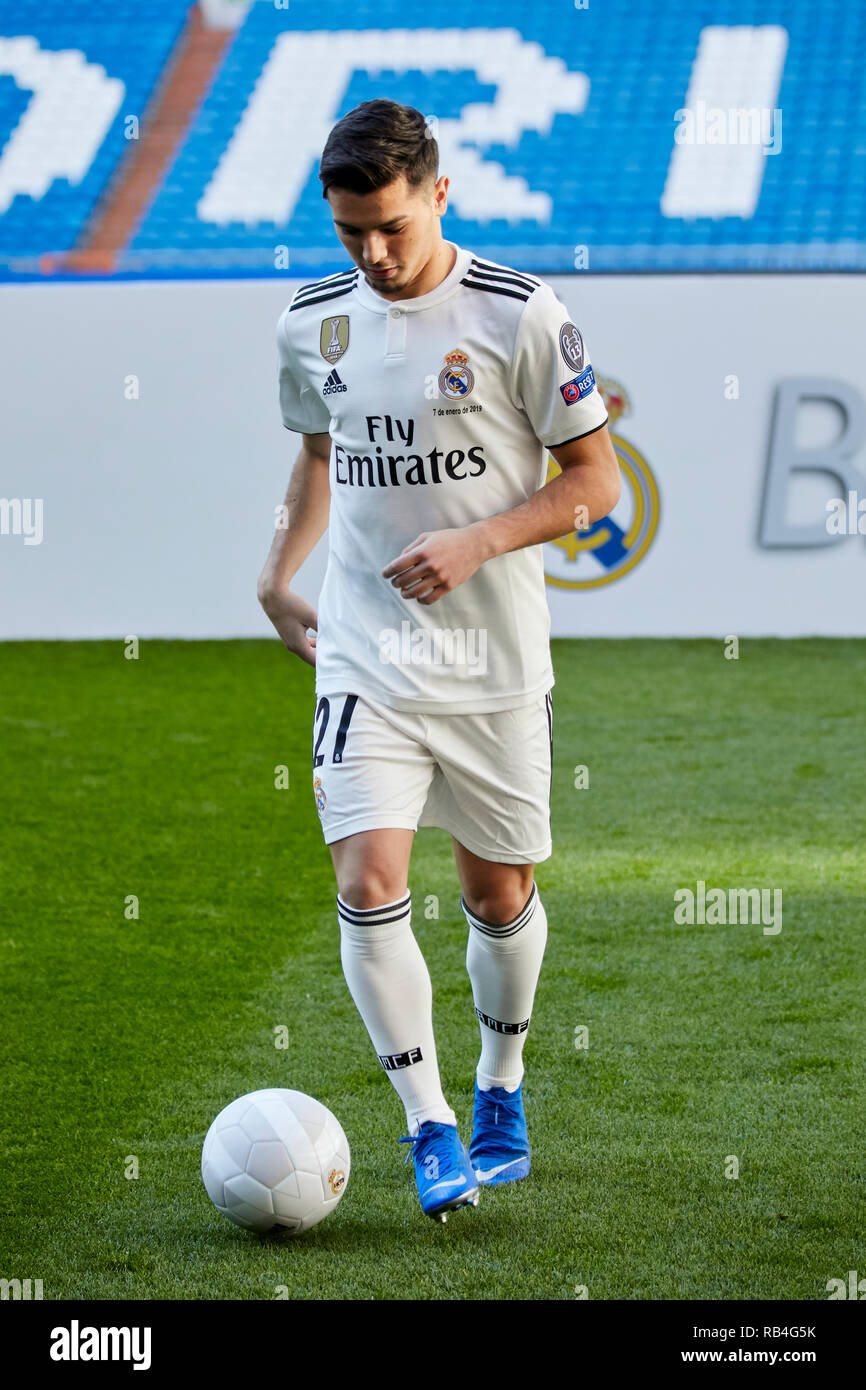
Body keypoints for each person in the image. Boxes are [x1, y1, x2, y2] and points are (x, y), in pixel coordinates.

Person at [258, 99, 620, 1222]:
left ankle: (499, 1085)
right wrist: (279, 570)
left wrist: (476, 540)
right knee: (367, 882)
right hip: (364, 654)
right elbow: (321, 450)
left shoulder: (519, 314)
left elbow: (594, 485)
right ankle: (428, 1126)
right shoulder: (310, 322)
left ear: (438, 196)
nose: (371, 253)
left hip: (493, 661)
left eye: (391, 227)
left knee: (494, 891)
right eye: (349, 232)